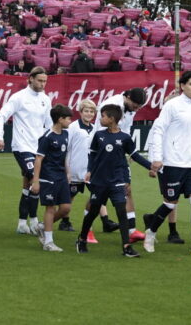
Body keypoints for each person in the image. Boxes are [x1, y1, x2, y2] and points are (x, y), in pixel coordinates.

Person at [143, 71, 191, 255]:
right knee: (170, 203)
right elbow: (158, 130)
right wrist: (157, 157)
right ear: (182, 86)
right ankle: (150, 232)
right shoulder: (171, 106)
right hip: (172, 163)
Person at [75, 103, 151, 257]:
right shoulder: (99, 135)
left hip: (117, 181)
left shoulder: (125, 138)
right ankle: (82, 238)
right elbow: (92, 154)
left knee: (121, 212)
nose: (100, 118)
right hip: (99, 181)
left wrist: (152, 167)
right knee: (93, 212)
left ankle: (126, 246)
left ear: (111, 119)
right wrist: (89, 170)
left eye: (102, 116)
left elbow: (135, 156)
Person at [0, 66, 52, 236]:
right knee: (35, 182)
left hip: (38, 148)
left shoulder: (45, 99)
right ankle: (33, 221)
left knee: (29, 186)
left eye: (45, 81)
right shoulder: (19, 97)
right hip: (22, 147)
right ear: (30, 79)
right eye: (40, 80)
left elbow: (48, 124)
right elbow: (1, 116)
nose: (42, 84)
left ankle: (21, 223)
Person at [98, 87, 145, 241]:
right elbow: (100, 131)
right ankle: (86, 231)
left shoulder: (130, 109)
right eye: (135, 105)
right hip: (105, 154)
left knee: (127, 189)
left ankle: (131, 230)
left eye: (139, 107)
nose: (136, 109)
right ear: (128, 97)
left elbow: (127, 129)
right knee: (99, 194)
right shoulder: (111, 105)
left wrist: (128, 149)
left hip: (119, 154)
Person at [32, 104, 73, 252]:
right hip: (48, 177)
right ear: (60, 119)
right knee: (51, 208)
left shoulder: (65, 134)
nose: (70, 121)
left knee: (66, 208)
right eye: (68, 119)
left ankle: (42, 227)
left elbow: (64, 156)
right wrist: (36, 181)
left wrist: (68, 173)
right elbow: (38, 159)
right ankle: (48, 242)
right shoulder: (46, 137)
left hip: (61, 176)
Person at [62, 99, 97, 234]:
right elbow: (66, 148)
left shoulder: (95, 128)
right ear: (80, 112)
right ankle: (65, 221)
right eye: (86, 111)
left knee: (96, 194)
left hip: (90, 170)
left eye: (92, 111)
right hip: (75, 167)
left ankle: (89, 221)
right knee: (70, 196)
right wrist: (67, 170)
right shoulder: (73, 127)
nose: (89, 114)